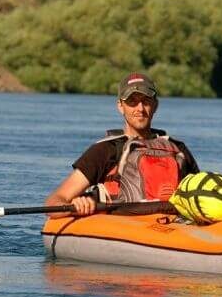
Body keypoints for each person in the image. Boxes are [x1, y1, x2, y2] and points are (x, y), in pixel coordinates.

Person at [45, 72, 199, 218]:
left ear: (155, 105)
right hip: (125, 230)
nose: (140, 108)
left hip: (174, 227)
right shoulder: (106, 150)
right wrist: (77, 205)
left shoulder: (177, 149)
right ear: (120, 106)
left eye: (146, 101)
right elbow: (55, 201)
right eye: (132, 101)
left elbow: (201, 195)